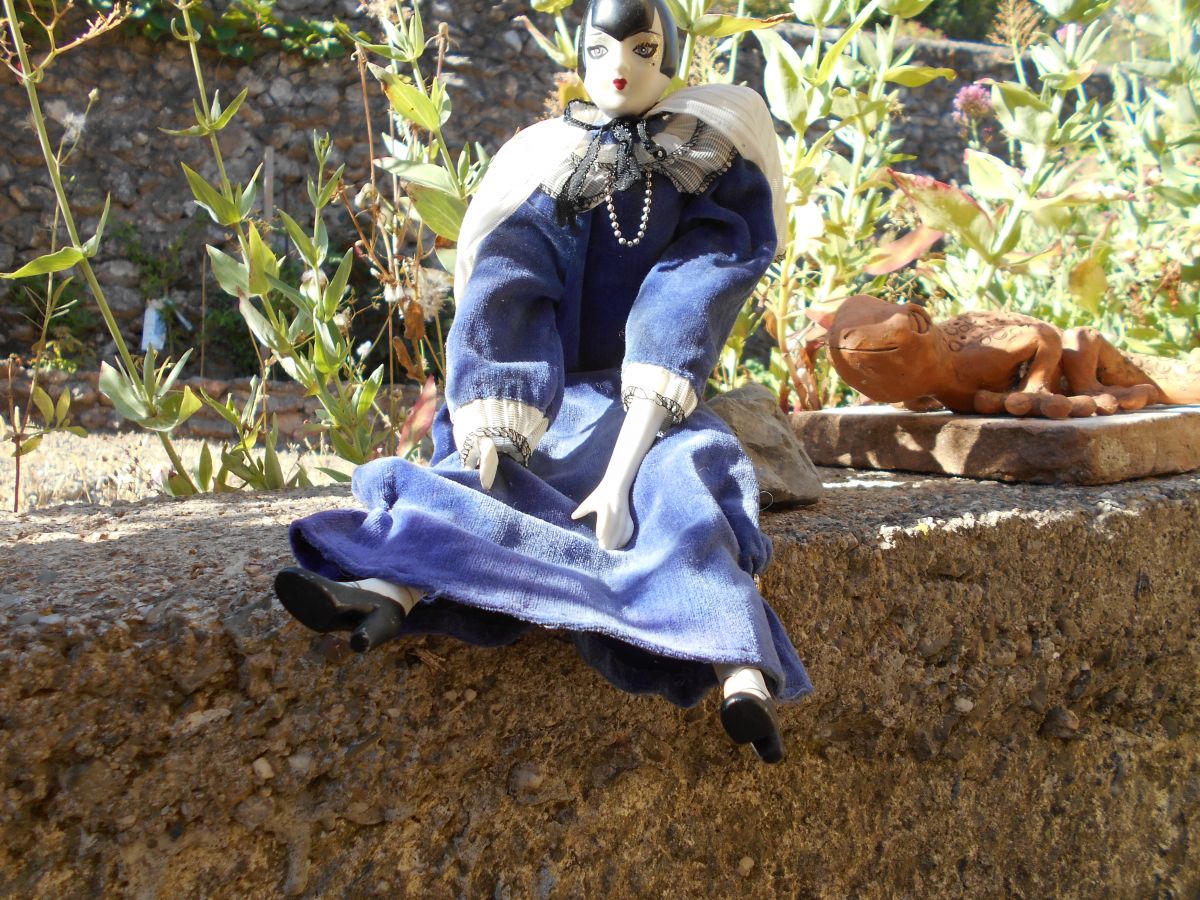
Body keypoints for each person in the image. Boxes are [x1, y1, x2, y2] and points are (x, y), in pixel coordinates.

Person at [274, 0, 811, 763]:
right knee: (478, 474)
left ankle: (740, 672)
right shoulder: (555, 163)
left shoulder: (701, 163)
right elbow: (513, 280)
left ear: (669, 57)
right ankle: (385, 589)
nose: (619, 67)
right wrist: (503, 405)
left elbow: (687, 296)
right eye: (600, 50)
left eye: (643, 49)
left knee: (687, 493)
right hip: (545, 396)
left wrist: (620, 473)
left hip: (647, 404)